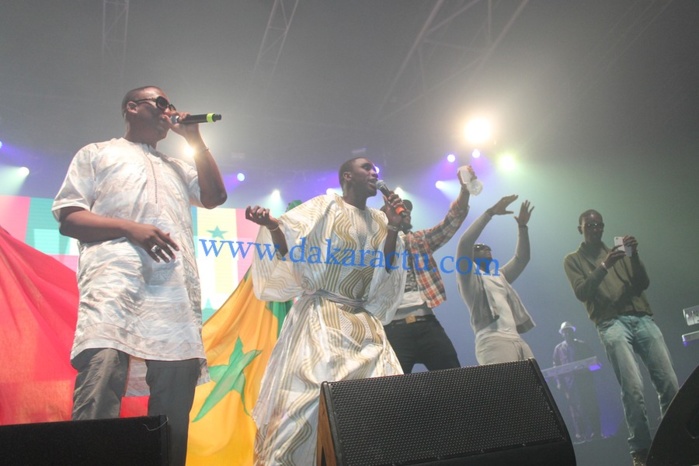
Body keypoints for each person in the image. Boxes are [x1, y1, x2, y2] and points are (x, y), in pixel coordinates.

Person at [52, 85, 227, 466]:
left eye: (172, 106)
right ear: (132, 108)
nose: (169, 111)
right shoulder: (98, 153)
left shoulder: (177, 167)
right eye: (160, 103)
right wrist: (131, 228)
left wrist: (194, 138)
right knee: (101, 380)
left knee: (174, 402)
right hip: (115, 283)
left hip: (173, 291)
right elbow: (69, 218)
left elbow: (215, 197)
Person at [245, 156, 407, 465]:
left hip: (363, 322)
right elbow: (288, 244)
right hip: (322, 316)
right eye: (366, 168)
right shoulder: (325, 206)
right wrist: (271, 225)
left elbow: (386, 268)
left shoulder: (380, 218)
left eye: (375, 169)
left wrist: (395, 230)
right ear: (347, 176)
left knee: (380, 398)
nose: (374, 173)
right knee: (310, 400)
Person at [563, 209, 679, 466]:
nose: (596, 228)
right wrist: (605, 266)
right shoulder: (573, 259)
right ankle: (641, 449)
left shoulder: (619, 251)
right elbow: (583, 292)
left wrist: (634, 256)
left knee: (669, 382)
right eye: (590, 225)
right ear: (580, 228)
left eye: (599, 225)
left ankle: (676, 440)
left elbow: (643, 282)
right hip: (610, 322)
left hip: (640, 315)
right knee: (633, 386)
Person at [383, 168, 472, 373]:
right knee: (395, 391)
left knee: (454, 380)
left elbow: (450, 222)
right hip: (393, 329)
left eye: (407, 211)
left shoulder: (419, 240)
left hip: (427, 324)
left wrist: (465, 191)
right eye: (399, 211)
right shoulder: (374, 247)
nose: (405, 213)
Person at [455, 195, 536, 365]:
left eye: (488, 247)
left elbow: (522, 259)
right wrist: (490, 213)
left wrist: (522, 227)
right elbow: (464, 243)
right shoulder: (468, 278)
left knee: (534, 387)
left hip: (517, 339)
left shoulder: (499, 277)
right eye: (480, 248)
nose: (486, 249)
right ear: (472, 255)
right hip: (493, 341)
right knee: (506, 390)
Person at [552, 321, 602, 443]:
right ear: (562, 334)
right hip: (570, 385)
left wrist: (589, 371)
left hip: (585, 383)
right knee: (575, 410)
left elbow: (593, 361)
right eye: (565, 332)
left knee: (591, 406)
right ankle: (581, 435)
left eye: (569, 331)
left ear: (573, 332)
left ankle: (597, 432)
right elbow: (556, 367)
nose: (567, 334)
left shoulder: (582, 345)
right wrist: (559, 383)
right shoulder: (558, 349)